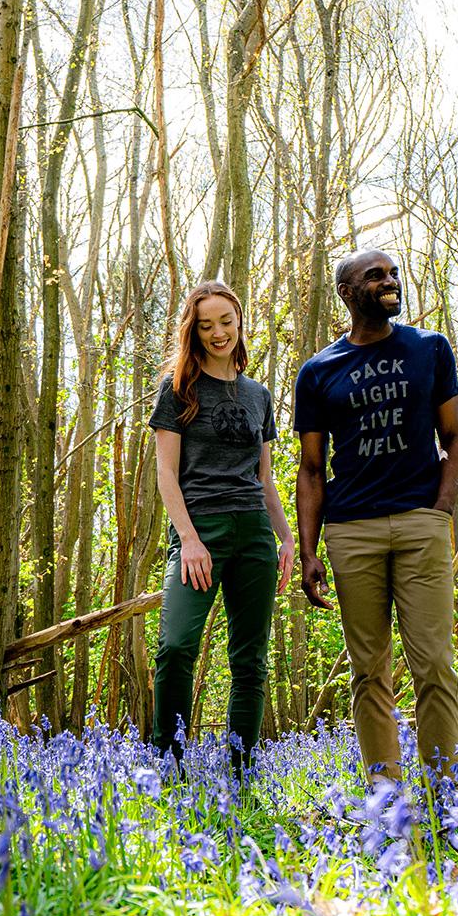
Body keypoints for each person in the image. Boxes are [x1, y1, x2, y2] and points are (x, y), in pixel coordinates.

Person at [294, 249, 458, 781]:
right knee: (369, 672)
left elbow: (454, 437)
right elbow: (311, 469)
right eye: (376, 276)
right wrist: (307, 551)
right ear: (347, 292)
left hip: (420, 524)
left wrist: (441, 509)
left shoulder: (429, 349)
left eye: (393, 273)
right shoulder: (319, 372)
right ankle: (385, 800)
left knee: (434, 664)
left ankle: (446, 793)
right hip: (351, 532)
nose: (390, 281)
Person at [149, 281, 294, 770]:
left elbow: (265, 478)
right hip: (200, 532)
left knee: (250, 661)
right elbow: (166, 473)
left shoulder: (258, 395)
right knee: (176, 646)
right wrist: (188, 539)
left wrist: (287, 537)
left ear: (239, 322)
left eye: (226, 322)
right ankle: (168, 768)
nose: (218, 333)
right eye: (206, 325)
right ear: (194, 331)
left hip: (253, 532)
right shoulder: (177, 389)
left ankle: (241, 775)